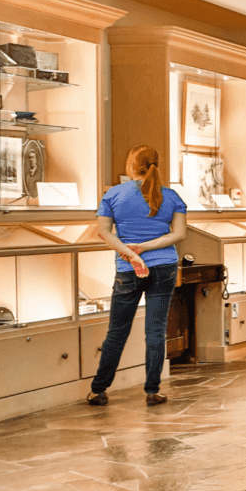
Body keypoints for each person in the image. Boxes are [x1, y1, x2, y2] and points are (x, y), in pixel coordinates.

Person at [87, 145, 187, 407]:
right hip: (164, 266)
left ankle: (99, 390)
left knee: (117, 332)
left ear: (131, 165)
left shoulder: (113, 194)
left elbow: (104, 232)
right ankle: (152, 391)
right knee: (155, 331)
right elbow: (178, 234)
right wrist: (145, 248)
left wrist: (132, 254)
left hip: (128, 270)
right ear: (157, 164)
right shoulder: (172, 196)